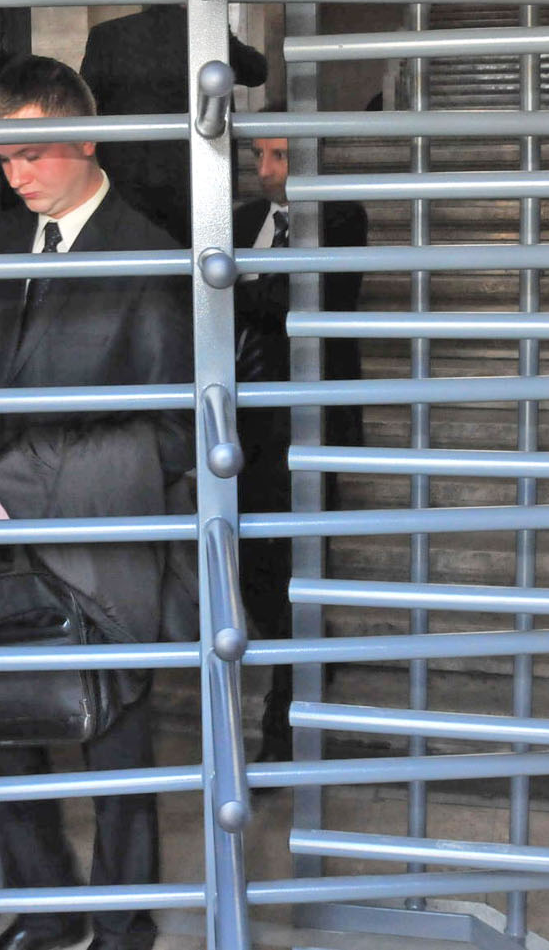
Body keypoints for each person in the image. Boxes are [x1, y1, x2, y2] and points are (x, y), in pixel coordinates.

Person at [0, 55, 193, 950]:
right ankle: (50, 911)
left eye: (32, 154)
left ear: (86, 140)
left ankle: (122, 927)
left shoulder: (151, 254)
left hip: (98, 533)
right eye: (4, 159)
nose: (15, 175)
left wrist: (33, 489)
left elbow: (175, 429)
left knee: (115, 738)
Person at [231, 113, 368, 763]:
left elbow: (304, 303)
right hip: (243, 426)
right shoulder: (239, 221)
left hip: (309, 424)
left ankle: (282, 721)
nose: (265, 171)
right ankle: (306, 646)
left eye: (279, 156)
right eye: (259, 155)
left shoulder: (341, 218)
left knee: (296, 569)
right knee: (250, 567)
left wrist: (227, 282)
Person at [79, 0, 269, 246]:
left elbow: (85, 102)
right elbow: (257, 71)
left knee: (129, 250)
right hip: (198, 170)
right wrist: (219, 31)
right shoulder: (205, 33)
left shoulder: (106, 35)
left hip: (124, 174)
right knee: (196, 253)